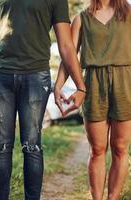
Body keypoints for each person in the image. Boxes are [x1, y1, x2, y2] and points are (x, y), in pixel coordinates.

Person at [0, 0, 86, 199]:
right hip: (1, 75)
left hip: (35, 77)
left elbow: (65, 44)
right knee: (1, 146)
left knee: (32, 146)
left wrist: (80, 85)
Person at [54, 0, 131, 199]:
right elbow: (68, 56)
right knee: (97, 149)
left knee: (120, 148)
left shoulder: (129, 13)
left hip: (125, 84)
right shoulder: (81, 19)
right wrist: (58, 85)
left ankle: (112, 198)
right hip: (94, 85)